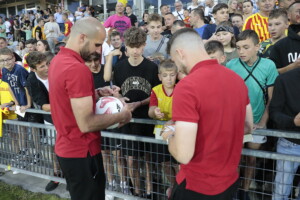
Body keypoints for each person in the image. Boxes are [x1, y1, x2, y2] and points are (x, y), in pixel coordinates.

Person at [163, 28, 253, 200]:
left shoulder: (187, 86)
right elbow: (248, 127)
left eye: (174, 60)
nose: (177, 66)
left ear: (180, 53)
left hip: (197, 186)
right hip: (228, 182)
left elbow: (183, 154)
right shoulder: (237, 80)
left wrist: (169, 135)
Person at [48, 17, 132, 200]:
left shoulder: (57, 60)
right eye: (96, 45)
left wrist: (94, 93)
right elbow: (86, 123)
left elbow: (66, 99)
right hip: (83, 152)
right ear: (82, 37)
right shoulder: (78, 69)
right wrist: (122, 114)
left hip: (68, 150)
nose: (98, 51)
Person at [226, 30, 278, 199]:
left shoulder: (269, 66)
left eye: (246, 47)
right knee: (236, 158)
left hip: (257, 121)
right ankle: (234, 190)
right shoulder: (231, 65)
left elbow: (271, 98)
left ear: (257, 47)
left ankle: (245, 190)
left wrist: (263, 120)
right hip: (236, 122)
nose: (241, 51)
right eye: (238, 47)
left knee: (252, 159)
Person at [113, 27, 160, 198]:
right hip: (128, 119)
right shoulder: (119, 68)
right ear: (126, 46)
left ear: (144, 45)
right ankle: (137, 191)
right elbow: (117, 91)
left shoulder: (152, 68)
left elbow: (156, 94)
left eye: (138, 46)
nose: (134, 50)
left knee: (148, 158)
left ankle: (149, 191)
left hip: (146, 117)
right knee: (131, 158)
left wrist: (139, 103)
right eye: (131, 46)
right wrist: (119, 98)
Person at [25, 51, 60, 192]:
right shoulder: (31, 81)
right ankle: (57, 174)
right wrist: (64, 106)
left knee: (69, 149)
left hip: (68, 118)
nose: (46, 68)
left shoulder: (56, 69)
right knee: (53, 148)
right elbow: (43, 105)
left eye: (47, 64)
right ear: (33, 69)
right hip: (50, 118)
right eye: (41, 67)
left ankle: (71, 177)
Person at [148, 59, 178, 198]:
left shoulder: (181, 89)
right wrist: (155, 112)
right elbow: (151, 109)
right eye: (165, 75)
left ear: (176, 75)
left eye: (172, 74)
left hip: (177, 131)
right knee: (165, 162)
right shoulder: (156, 90)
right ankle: (173, 186)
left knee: (178, 162)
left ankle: (180, 186)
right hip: (160, 131)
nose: (169, 78)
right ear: (160, 77)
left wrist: (173, 120)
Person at [269, 68, 300, 200]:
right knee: (281, 193)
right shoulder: (284, 79)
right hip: (290, 143)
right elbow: (274, 113)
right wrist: (293, 121)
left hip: (289, 143)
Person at [0, 47, 30, 169]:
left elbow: (27, 88)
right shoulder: (4, 71)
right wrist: (12, 102)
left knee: (22, 130)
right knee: (15, 132)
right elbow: (9, 89)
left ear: (13, 57)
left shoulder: (20, 70)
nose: (6, 63)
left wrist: (27, 104)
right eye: (2, 60)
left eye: (8, 59)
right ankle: (19, 153)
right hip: (14, 105)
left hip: (23, 104)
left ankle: (24, 153)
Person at [269, 2, 300, 74]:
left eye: (277, 24)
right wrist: (291, 67)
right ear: (289, 15)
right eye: (298, 11)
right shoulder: (279, 46)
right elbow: (270, 74)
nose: (273, 28)